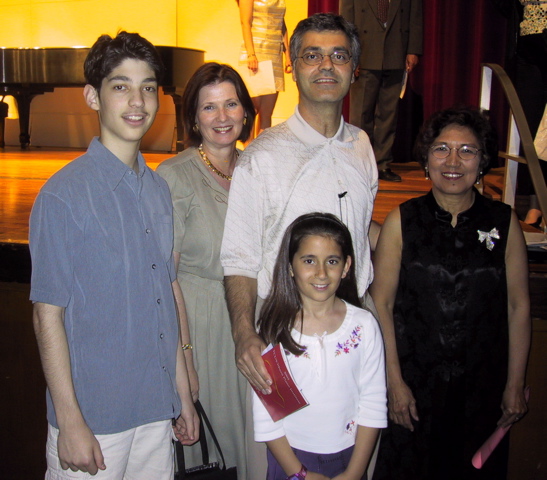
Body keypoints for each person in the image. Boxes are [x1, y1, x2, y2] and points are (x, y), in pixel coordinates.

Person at [29, 32, 199, 479]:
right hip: (94, 420)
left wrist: (182, 393)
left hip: (154, 412)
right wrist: (69, 421)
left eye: (147, 87)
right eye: (120, 86)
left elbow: (165, 298)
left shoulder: (159, 190)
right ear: (92, 96)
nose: (137, 100)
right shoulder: (62, 196)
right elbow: (47, 315)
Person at [220, 12, 379, 478]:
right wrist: (245, 333)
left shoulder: (363, 146)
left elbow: (364, 235)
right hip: (285, 338)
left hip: (353, 335)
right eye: (312, 55)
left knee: (354, 457)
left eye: (338, 56)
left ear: (353, 68)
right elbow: (239, 257)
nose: (326, 66)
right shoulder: (264, 156)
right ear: (292, 67)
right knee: (289, 468)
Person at [370, 106, 531, 480]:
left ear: (483, 160)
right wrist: (393, 382)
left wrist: (514, 383)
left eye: (467, 150)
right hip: (413, 389)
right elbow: (382, 302)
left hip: (482, 390)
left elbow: (518, 306)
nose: (453, 160)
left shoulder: (504, 223)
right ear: (426, 159)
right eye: (441, 149)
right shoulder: (402, 220)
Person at [156, 62, 256, 478]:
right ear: (193, 118)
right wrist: (186, 362)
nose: (221, 117)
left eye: (230, 104)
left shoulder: (257, 169)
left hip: (251, 321)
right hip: (202, 327)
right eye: (209, 107)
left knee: (255, 444)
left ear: (246, 111)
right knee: (217, 450)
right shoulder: (175, 176)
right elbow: (166, 277)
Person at [253, 213, 387, 479]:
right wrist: (300, 474)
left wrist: (354, 472)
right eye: (309, 260)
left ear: (346, 266)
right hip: (290, 461)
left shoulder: (364, 326)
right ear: (290, 265)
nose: (321, 273)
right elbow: (267, 415)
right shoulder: (272, 330)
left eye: (332, 261)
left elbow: (372, 403)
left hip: (349, 457)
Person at [339, 0, 423, 182]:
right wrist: (350, 54)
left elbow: (415, 17)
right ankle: (359, 163)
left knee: (388, 113)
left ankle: (382, 164)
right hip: (365, 52)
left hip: (396, 51)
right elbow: (346, 22)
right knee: (361, 113)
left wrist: (413, 50)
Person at [238, 0, 291, 134]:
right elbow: (245, 23)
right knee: (252, 110)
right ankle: (247, 152)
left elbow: (282, 25)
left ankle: (260, 152)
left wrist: (288, 55)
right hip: (256, 51)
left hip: (275, 53)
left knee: (267, 113)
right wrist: (251, 54)